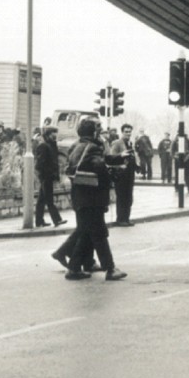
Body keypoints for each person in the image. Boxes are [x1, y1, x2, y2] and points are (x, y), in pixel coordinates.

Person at [61, 117, 126, 281]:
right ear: (94, 132)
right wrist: (116, 173)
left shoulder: (76, 146)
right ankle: (110, 268)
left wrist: (117, 159)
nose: (101, 131)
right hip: (93, 199)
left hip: (80, 197)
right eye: (99, 128)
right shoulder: (93, 148)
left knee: (86, 233)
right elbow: (100, 168)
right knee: (99, 234)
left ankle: (74, 268)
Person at [34, 125, 66, 228]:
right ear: (48, 134)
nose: (55, 135)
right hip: (46, 176)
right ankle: (57, 220)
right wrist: (47, 174)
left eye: (56, 132)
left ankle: (39, 221)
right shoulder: (44, 146)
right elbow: (40, 164)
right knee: (49, 199)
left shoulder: (52, 145)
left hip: (48, 176)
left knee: (42, 200)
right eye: (53, 133)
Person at [108, 123, 138, 226]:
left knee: (129, 197)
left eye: (129, 132)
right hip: (121, 174)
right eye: (126, 132)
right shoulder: (116, 143)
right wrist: (121, 160)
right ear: (122, 132)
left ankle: (126, 218)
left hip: (129, 174)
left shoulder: (130, 143)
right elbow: (111, 157)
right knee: (121, 197)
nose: (128, 134)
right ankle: (120, 219)